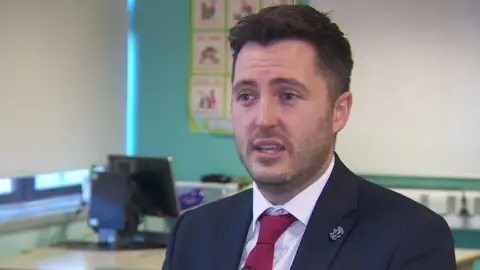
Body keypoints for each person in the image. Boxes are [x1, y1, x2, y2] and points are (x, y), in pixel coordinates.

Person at [162, 4, 456, 270]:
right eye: (246, 96)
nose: (264, 119)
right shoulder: (194, 232)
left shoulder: (411, 238)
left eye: (288, 95)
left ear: (338, 112)